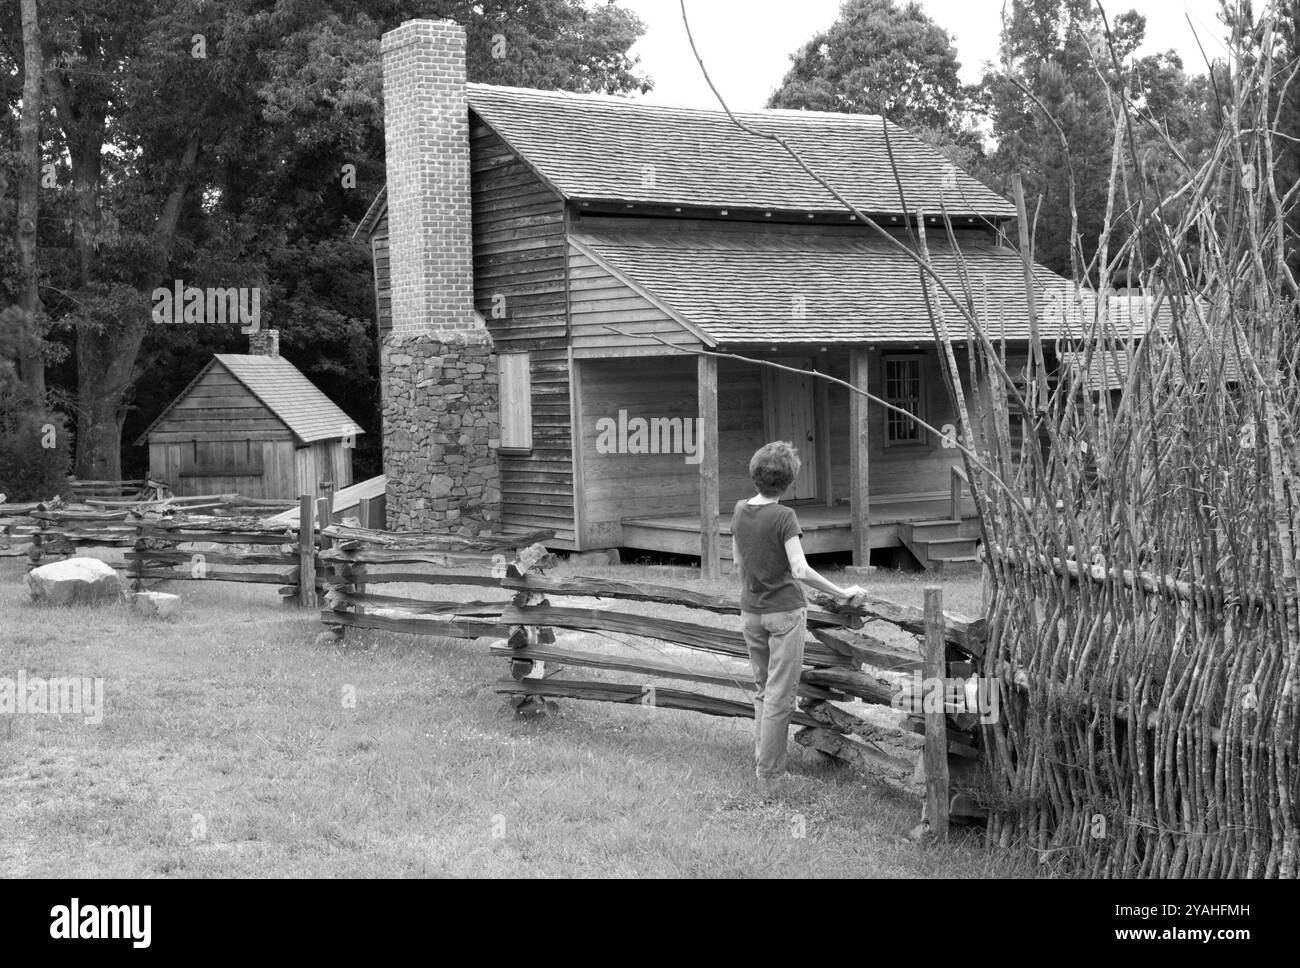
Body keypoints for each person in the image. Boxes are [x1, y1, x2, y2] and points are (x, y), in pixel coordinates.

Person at [730, 441, 866, 796]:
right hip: (784, 613)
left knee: (763, 691)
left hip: (751, 613)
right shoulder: (784, 517)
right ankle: (771, 775)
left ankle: (763, 762)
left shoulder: (739, 510)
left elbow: (737, 564)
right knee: (779, 696)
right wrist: (842, 593)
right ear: (789, 481)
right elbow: (800, 569)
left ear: (755, 473)